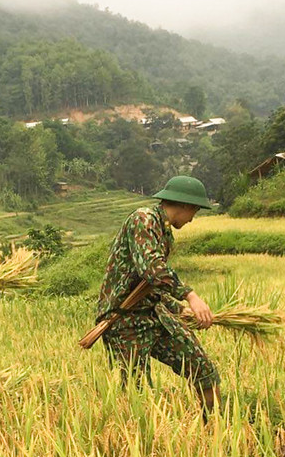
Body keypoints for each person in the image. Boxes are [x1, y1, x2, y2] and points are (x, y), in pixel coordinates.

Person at [94, 176, 220, 414]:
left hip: (153, 315)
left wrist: (174, 307)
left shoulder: (164, 231)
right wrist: (190, 296)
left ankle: (215, 427)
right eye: (194, 211)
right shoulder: (143, 220)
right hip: (125, 321)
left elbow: (149, 286)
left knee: (202, 369)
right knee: (135, 392)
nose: (193, 219)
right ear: (186, 205)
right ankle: (138, 442)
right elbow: (152, 269)